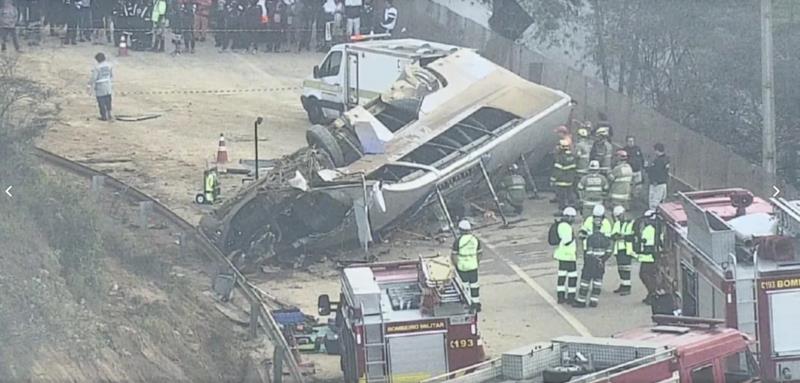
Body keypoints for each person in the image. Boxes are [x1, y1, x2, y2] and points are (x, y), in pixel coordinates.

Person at [573, 216, 611, 308]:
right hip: (601, 264)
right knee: (597, 282)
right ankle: (594, 301)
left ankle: (581, 301)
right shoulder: (605, 239)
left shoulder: (591, 238)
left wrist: (593, 260)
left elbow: (589, 252)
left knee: (585, 282)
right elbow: (609, 251)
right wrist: (602, 260)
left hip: (590, 264)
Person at [451, 219, 482, 312]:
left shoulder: (458, 241)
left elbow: (454, 255)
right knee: (474, 285)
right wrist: (476, 262)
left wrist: (456, 265)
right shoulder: (475, 240)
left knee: (464, 286)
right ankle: (476, 303)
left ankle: (467, 303)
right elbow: (479, 254)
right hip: (473, 266)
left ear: (460, 230)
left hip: (462, 267)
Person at [553, 207, 578, 304]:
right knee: (572, 277)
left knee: (562, 276)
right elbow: (567, 241)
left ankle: (561, 296)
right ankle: (571, 297)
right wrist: (573, 238)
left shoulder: (561, 225)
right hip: (568, 255)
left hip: (563, 255)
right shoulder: (566, 226)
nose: (573, 219)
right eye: (572, 217)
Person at [636, 209, 661, 305]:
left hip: (649, 257)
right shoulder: (655, 228)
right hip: (651, 257)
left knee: (645, 275)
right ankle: (651, 294)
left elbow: (647, 243)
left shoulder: (650, 229)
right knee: (650, 276)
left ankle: (653, 294)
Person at [610, 205, 635, 296]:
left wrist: (623, 236)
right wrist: (617, 236)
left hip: (627, 249)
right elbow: (613, 235)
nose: (619, 218)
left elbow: (632, 235)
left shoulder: (631, 223)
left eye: (620, 215)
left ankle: (627, 287)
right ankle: (623, 285)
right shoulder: (617, 224)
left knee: (626, 268)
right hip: (618, 249)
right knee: (620, 268)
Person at [551, 139, 577, 212]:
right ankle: (572, 206)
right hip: (570, 180)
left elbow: (557, 170)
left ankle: (562, 209)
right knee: (570, 194)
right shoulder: (572, 156)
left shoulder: (560, 157)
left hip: (561, 181)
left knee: (561, 196)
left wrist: (553, 179)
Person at [88, 52, 114, 121]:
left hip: (100, 86)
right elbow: (111, 75)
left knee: (101, 101)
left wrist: (89, 84)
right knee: (108, 99)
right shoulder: (109, 65)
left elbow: (94, 78)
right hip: (108, 85)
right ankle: (109, 114)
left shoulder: (97, 68)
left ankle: (104, 116)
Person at [646, 143, 670, 210]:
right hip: (663, 183)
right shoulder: (666, 159)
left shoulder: (659, 161)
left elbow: (656, 172)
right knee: (661, 202)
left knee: (654, 203)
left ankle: (653, 217)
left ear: (657, 150)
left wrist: (647, 168)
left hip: (657, 185)